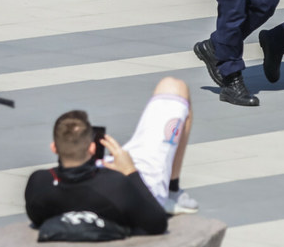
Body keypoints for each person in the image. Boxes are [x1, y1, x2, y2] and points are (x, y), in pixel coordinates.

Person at [24, 76, 197, 235]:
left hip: (96, 176)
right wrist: (129, 169)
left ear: (54, 147)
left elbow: (37, 216)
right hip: (144, 187)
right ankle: (172, 191)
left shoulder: (40, 182)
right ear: (92, 148)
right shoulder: (118, 185)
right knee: (174, 86)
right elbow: (157, 222)